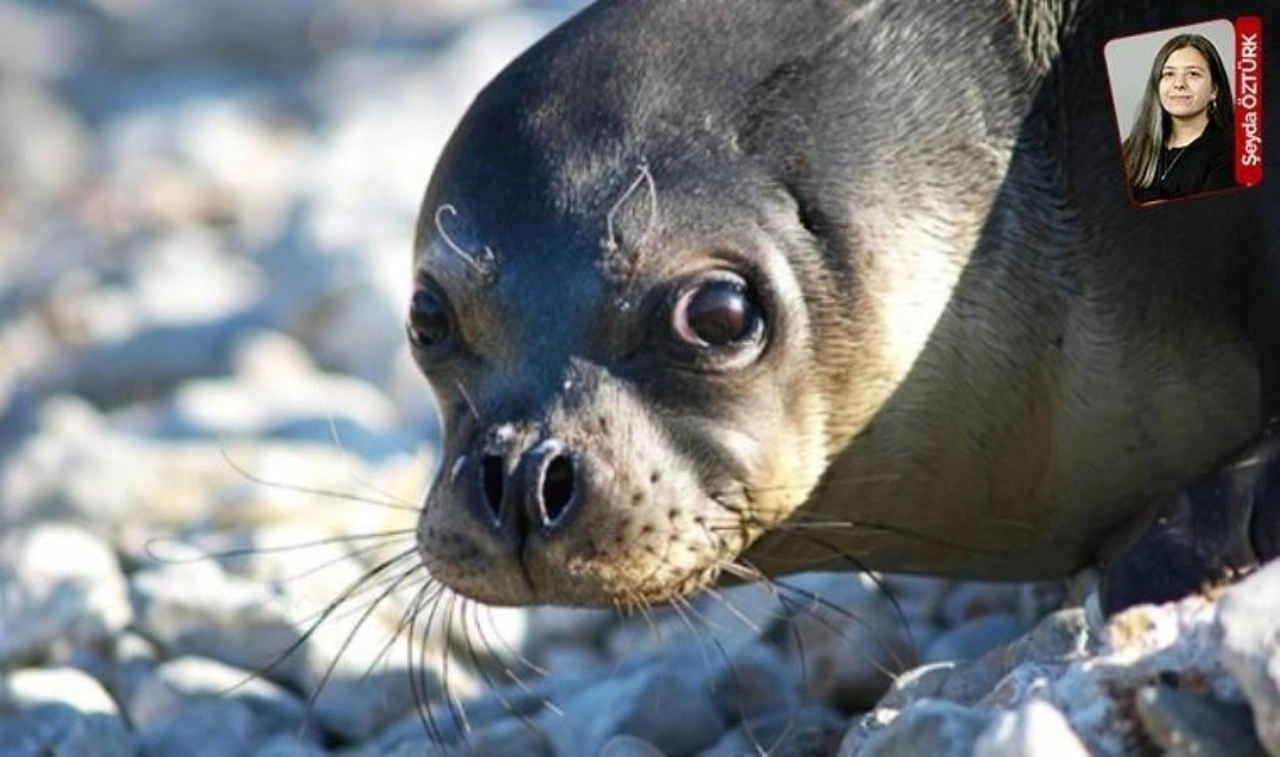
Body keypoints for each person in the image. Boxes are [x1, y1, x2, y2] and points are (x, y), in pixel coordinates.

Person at [1122, 34, 1235, 204]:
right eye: (1168, 74)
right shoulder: (1132, 147)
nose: (1179, 83)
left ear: (1214, 90)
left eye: (1193, 74)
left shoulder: (1233, 151)